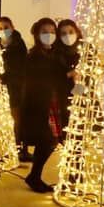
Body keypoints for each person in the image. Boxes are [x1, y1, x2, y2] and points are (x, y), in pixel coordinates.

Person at [20, 18, 64, 192]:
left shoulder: (53, 54)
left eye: (52, 32)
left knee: (49, 141)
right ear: (38, 35)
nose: (49, 35)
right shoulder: (34, 56)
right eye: (45, 32)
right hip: (39, 106)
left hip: (51, 104)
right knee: (47, 140)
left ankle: (34, 176)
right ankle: (34, 176)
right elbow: (39, 81)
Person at [0, 16, 30, 162]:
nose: (4, 31)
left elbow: (18, 68)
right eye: (0, 28)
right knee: (8, 119)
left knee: (18, 119)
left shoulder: (18, 45)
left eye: (6, 27)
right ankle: (10, 147)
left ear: (12, 27)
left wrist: (3, 77)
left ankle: (19, 149)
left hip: (17, 87)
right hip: (4, 88)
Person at [54, 18, 82, 143]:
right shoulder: (56, 51)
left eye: (70, 32)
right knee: (67, 119)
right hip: (64, 91)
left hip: (82, 88)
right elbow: (54, 73)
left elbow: (94, 65)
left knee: (82, 116)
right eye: (63, 33)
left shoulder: (85, 48)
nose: (68, 36)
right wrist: (69, 74)